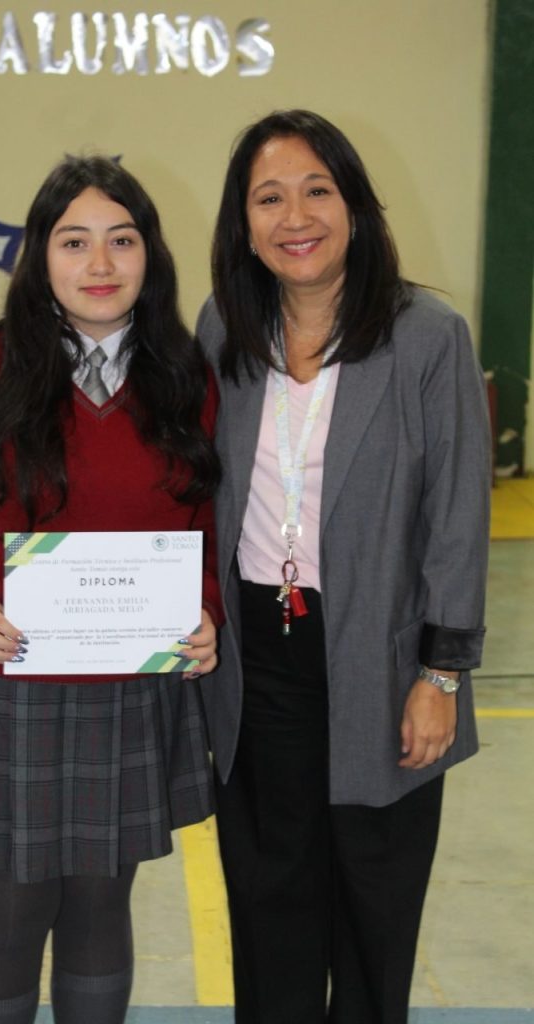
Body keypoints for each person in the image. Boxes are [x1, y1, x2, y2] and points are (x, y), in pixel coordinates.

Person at [0, 154, 222, 1024]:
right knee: (10, 911)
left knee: (103, 906)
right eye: (74, 242)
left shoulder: (187, 379)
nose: (100, 264)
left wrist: (208, 613)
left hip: (127, 687)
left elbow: (215, 526)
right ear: (39, 256)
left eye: (122, 240)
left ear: (151, 256)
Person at [196, 109, 491, 1024]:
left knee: (373, 907)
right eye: (269, 198)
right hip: (257, 660)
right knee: (268, 900)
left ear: (355, 207)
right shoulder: (223, 328)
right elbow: (191, 486)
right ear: (244, 223)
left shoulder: (427, 336)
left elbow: (458, 517)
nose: (296, 217)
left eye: (317, 191)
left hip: (382, 660)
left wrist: (441, 674)